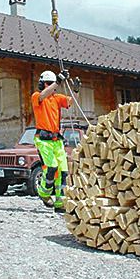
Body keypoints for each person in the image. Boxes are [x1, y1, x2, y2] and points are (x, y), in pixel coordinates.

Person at [31, 69, 81, 213]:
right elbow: (43, 95)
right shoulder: (37, 97)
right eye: (49, 84)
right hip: (43, 139)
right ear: (43, 84)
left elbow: (71, 101)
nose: (51, 87)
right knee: (51, 167)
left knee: (63, 171)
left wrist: (75, 90)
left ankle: (60, 203)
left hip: (56, 139)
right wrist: (58, 81)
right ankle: (44, 193)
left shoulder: (57, 98)